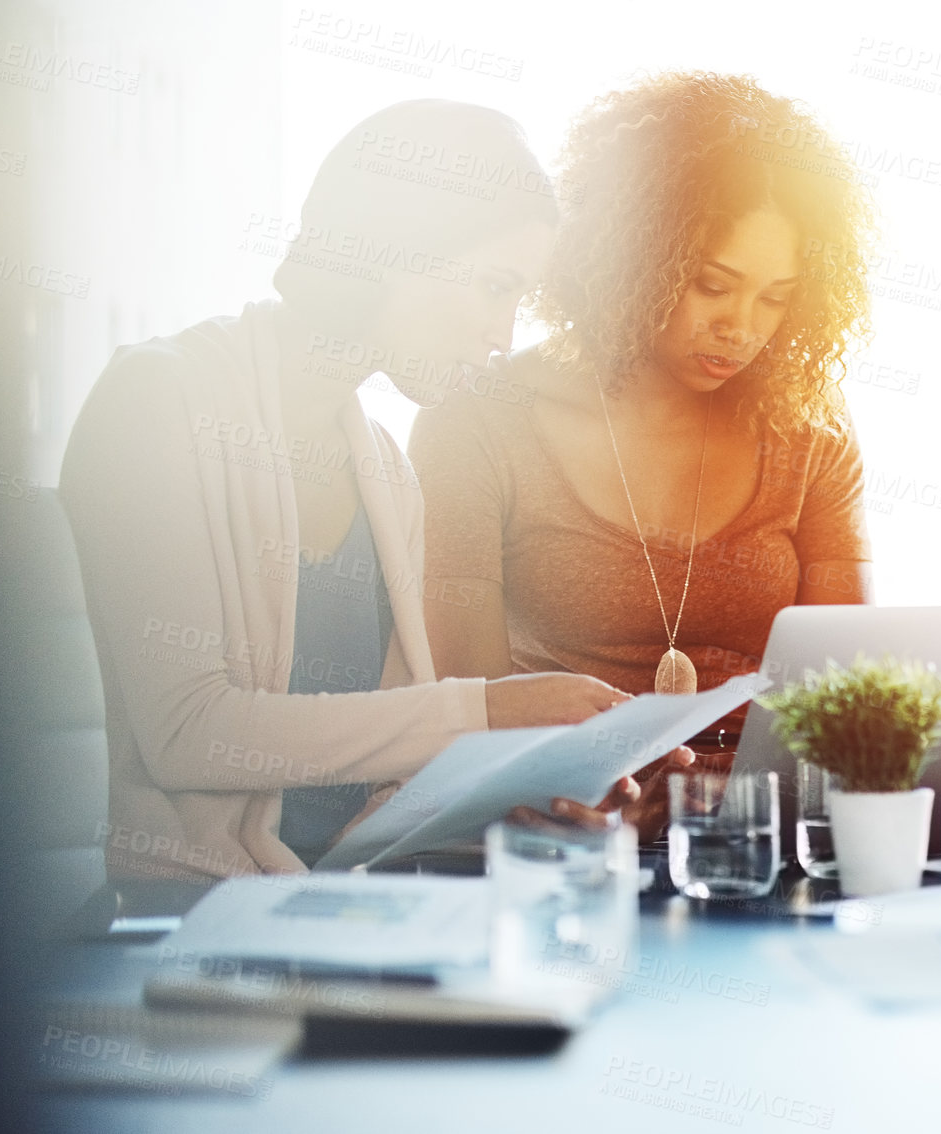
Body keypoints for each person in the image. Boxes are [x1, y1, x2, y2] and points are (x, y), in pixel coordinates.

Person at [60, 101, 683, 880]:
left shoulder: (385, 469)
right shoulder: (159, 398)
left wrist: (545, 790)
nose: (504, 334)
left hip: (342, 903)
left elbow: (384, 775)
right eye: (495, 286)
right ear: (397, 249)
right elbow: (185, 731)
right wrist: (485, 711)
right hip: (179, 917)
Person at [411, 73, 876, 735]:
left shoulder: (808, 423)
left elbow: (841, 697)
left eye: (776, 297)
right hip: (563, 814)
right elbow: (469, 715)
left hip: (755, 818)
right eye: (712, 284)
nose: (741, 327)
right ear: (631, 257)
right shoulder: (477, 419)